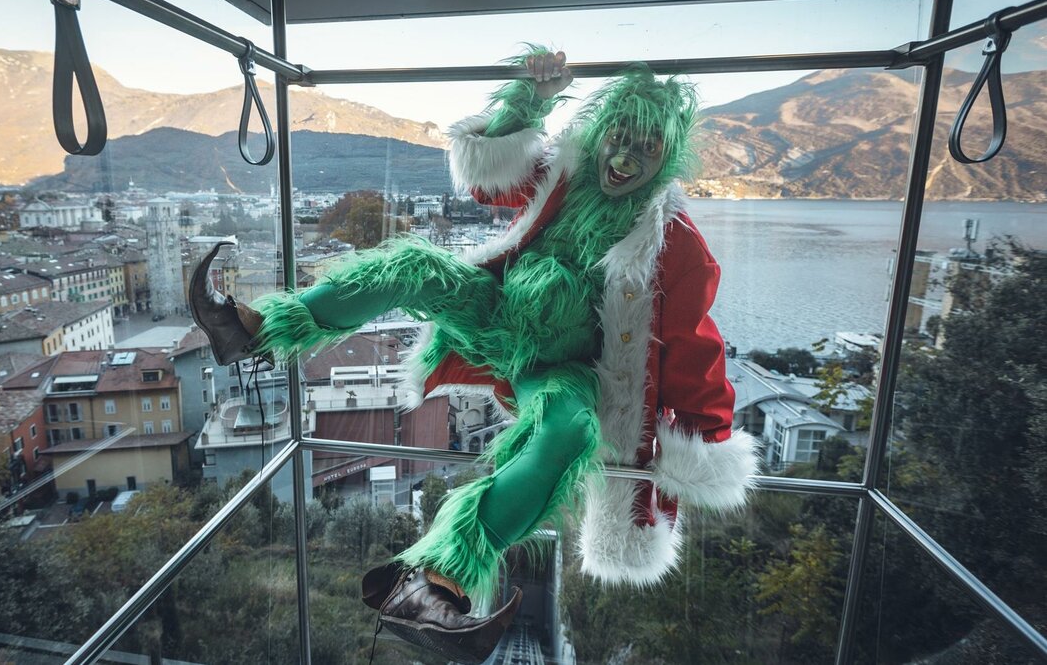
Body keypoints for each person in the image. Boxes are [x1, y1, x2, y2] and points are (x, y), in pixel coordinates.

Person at [189, 49, 757, 663]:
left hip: (563, 369)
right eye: (618, 138)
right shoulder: (564, 171)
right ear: (601, 131)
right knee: (412, 266)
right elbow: (490, 177)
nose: (623, 159)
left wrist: (703, 440)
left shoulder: (674, 241)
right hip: (497, 314)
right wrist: (529, 100)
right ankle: (253, 329)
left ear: (667, 159)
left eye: (645, 150)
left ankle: (441, 580)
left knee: (570, 429)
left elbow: (692, 348)